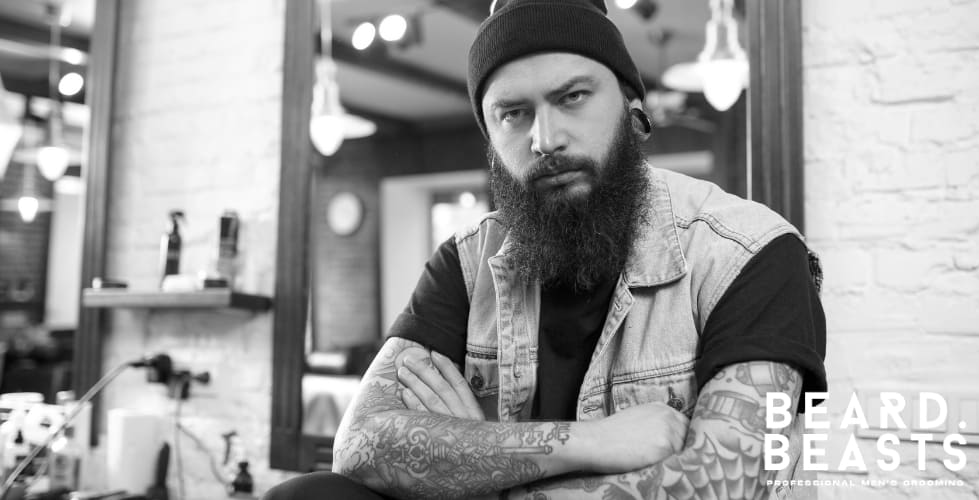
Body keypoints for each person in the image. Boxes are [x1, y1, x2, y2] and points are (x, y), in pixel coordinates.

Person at [264, 0, 825, 498]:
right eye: (513, 113)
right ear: (490, 135)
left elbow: (726, 483)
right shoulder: (467, 263)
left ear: (633, 107)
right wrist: (587, 443)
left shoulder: (748, 251)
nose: (545, 138)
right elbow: (361, 445)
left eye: (573, 97)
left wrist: (477, 467)